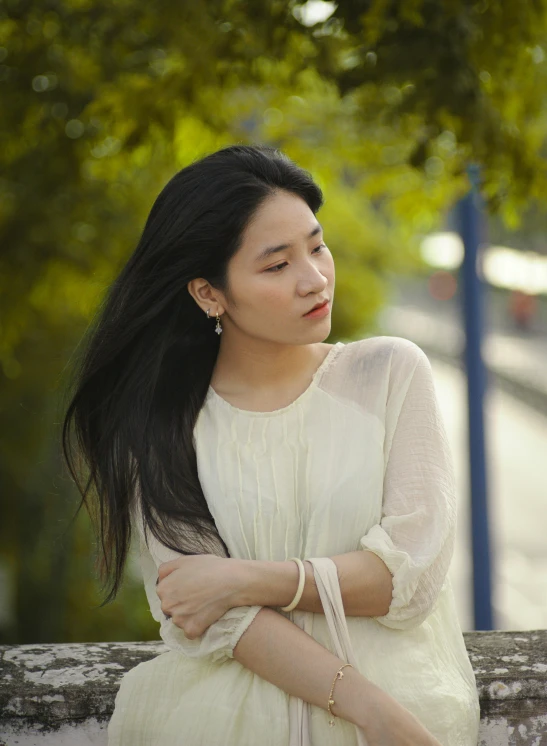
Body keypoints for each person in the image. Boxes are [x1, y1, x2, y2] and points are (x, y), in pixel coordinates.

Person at [62, 144, 481, 745]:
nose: (314, 279)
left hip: (409, 710)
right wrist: (370, 709)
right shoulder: (161, 428)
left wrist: (243, 578)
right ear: (210, 293)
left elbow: (405, 581)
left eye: (317, 246)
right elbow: (213, 616)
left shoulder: (388, 374)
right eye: (276, 265)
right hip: (229, 723)